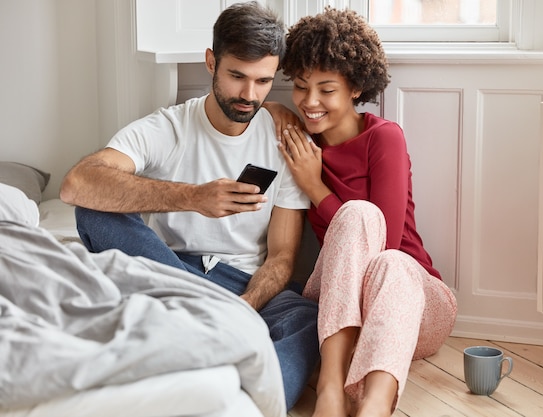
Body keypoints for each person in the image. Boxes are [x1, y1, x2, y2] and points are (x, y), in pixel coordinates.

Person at [60, 1, 318, 410]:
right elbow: (77, 184)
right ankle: (212, 349)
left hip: (242, 284)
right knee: (93, 211)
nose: (249, 95)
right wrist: (191, 197)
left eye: (263, 81)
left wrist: (243, 307)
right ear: (211, 62)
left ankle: (242, 402)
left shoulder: (284, 138)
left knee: (306, 320)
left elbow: (283, 257)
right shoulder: (169, 128)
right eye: (237, 76)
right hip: (170, 273)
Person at [277, 8, 458, 417]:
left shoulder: (383, 137)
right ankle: (331, 390)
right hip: (339, 313)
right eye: (301, 87)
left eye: (326, 89)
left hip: (412, 303)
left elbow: (387, 246)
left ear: (355, 88)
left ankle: (373, 406)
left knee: (373, 233)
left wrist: (314, 187)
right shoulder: (303, 146)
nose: (310, 102)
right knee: (358, 217)